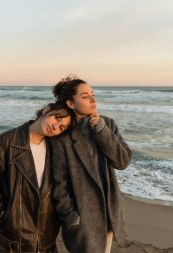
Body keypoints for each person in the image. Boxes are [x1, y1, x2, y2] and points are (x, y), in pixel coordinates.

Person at [0, 101, 75, 253]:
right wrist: (3, 219)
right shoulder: (8, 141)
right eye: (56, 118)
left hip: (44, 240)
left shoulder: (56, 150)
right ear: (46, 110)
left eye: (61, 127)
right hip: (7, 241)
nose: (55, 126)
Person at [51, 75, 132, 253]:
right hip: (83, 219)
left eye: (93, 94)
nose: (93, 100)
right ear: (71, 104)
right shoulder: (62, 136)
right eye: (85, 96)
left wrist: (101, 130)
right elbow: (59, 184)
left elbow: (122, 161)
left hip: (109, 213)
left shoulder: (107, 124)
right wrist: (72, 218)